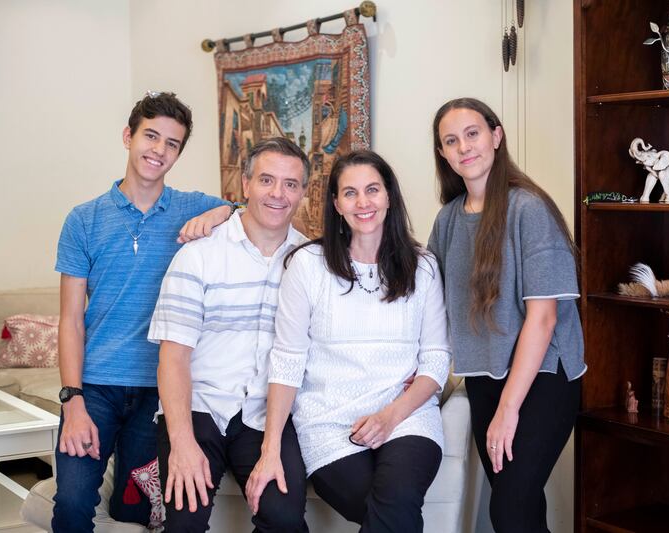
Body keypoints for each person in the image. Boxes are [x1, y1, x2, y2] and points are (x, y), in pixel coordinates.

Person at [53, 91, 232, 532]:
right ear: (128, 136)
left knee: (133, 510)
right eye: (151, 136)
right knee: (73, 505)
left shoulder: (191, 207)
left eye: (172, 143)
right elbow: (70, 320)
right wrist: (72, 400)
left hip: (159, 392)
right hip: (94, 388)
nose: (159, 150)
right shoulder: (84, 219)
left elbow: (249, 211)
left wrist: (220, 214)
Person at [246, 150, 450, 533]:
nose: (363, 203)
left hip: (406, 417)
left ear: (389, 195)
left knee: (398, 498)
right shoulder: (307, 265)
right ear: (336, 204)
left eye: (372, 190)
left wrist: (389, 416)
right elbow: (287, 361)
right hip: (328, 423)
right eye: (350, 193)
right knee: (387, 513)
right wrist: (271, 446)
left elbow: (436, 360)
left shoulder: (423, 267)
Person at [428, 97, 586, 533]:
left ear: (496, 137)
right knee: (520, 506)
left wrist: (508, 409)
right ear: (443, 153)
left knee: (510, 507)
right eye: (451, 140)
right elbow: (431, 303)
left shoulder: (528, 209)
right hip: (484, 377)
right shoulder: (448, 220)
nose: (464, 147)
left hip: (543, 379)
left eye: (473, 134)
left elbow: (544, 320)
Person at [148, 137, 310, 532]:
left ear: (303, 192)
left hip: (265, 412)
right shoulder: (199, 254)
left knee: (286, 519)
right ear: (246, 184)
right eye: (267, 180)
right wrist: (182, 444)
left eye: (291, 184)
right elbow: (173, 358)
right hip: (199, 406)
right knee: (185, 521)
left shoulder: (310, 262)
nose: (278, 193)